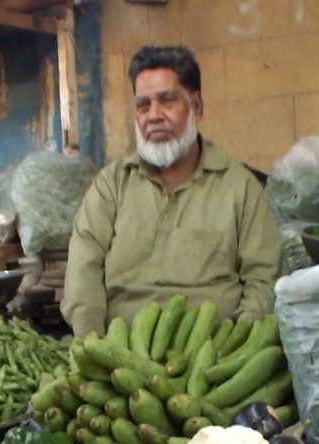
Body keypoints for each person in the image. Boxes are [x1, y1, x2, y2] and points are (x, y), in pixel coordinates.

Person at [61, 45, 285, 339]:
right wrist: (92, 343)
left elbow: (265, 282)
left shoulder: (239, 187)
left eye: (167, 101)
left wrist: (233, 351)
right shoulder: (112, 185)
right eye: (143, 105)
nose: (153, 115)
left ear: (197, 106)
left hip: (209, 363)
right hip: (117, 357)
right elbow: (83, 269)